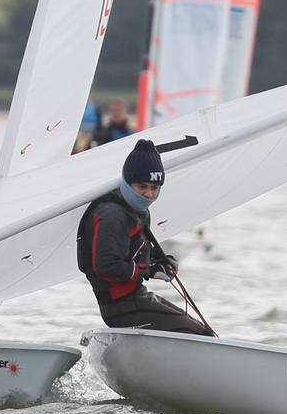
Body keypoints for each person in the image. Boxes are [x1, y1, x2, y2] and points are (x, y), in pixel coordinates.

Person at [76, 139, 213, 335]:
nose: (149, 194)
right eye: (142, 186)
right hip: (119, 307)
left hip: (136, 297)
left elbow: (138, 252)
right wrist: (149, 270)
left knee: (202, 329)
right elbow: (106, 266)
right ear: (128, 181)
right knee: (201, 335)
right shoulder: (111, 214)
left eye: (154, 188)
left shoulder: (138, 210)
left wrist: (163, 261)